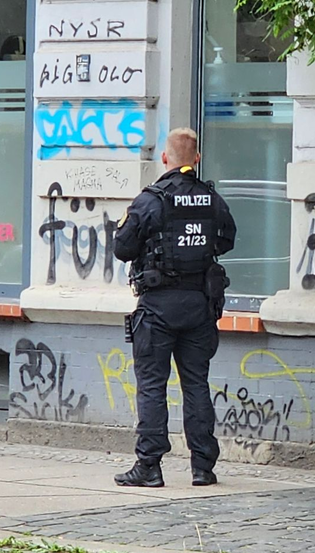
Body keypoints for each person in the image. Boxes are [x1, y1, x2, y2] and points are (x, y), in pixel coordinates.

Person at [112, 128, 236, 488]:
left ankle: (149, 466)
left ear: (165, 158)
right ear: (196, 159)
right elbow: (227, 239)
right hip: (199, 305)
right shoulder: (212, 199)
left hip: (158, 306)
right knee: (196, 384)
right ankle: (203, 467)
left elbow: (122, 248)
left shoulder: (150, 200)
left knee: (152, 385)